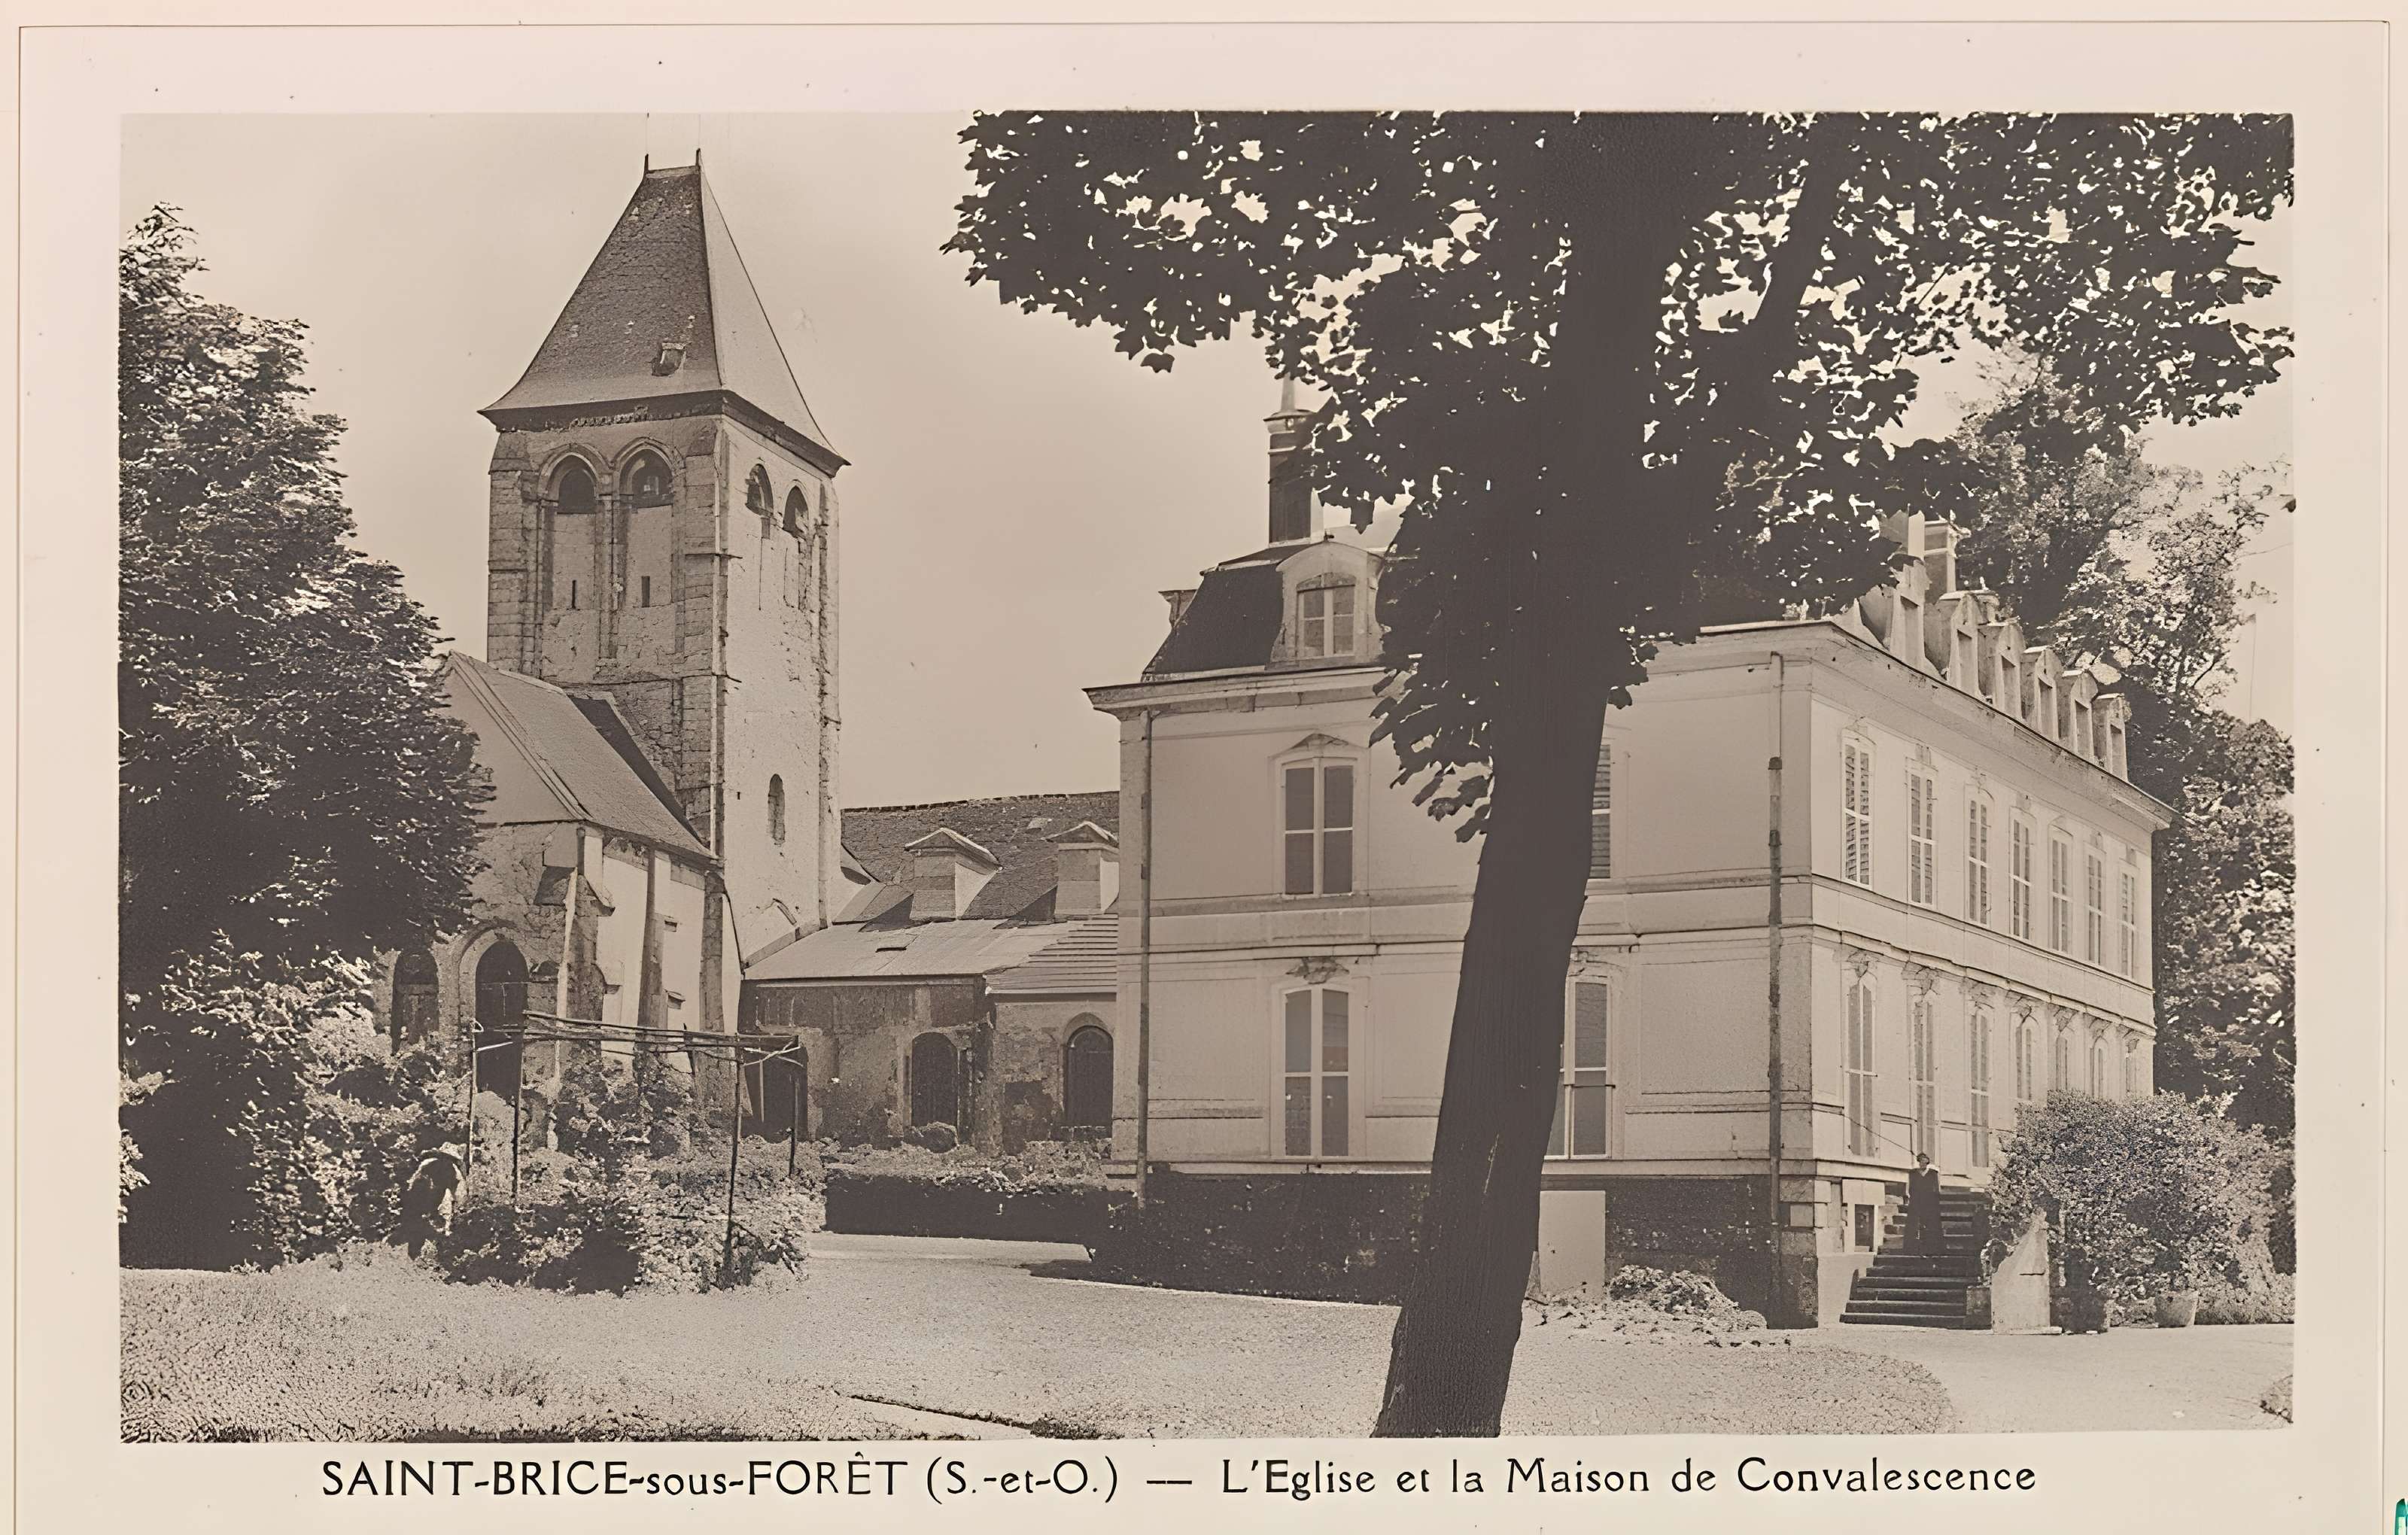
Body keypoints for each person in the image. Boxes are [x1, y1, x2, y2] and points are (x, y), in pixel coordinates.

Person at [395, 1143, 466, 1257]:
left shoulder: (453, 1171)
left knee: (438, 1220)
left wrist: (459, 1206)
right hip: (421, 1194)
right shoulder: (428, 1164)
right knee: (415, 1221)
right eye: (443, 1157)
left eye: (449, 1159)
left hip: (438, 1196)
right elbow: (414, 1181)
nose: (445, 1161)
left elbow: (458, 1192)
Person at [1907, 1151, 1943, 1256]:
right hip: (1916, 1202)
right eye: (1921, 1162)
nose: (1922, 1164)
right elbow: (1910, 1188)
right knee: (1915, 1225)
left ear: (1927, 1163)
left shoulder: (1933, 1174)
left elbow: (1936, 1189)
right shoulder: (1913, 1173)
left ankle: (1932, 1249)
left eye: (1924, 1162)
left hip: (1930, 1203)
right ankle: (1914, 1249)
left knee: (1930, 1225)